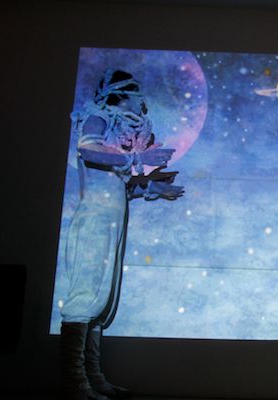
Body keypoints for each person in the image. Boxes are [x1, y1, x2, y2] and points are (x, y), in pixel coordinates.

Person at [60, 69, 183, 400]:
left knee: (102, 298)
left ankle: (92, 377)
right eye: (136, 94)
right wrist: (139, 157)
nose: (141, 101)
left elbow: (119, 187)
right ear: (122, 94)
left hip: (111, 220)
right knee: (86, 293)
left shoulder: (116, 138)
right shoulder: (99, 117)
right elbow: (87, 150)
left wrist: (153, 188)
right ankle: (74, 382)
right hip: (95, 220)